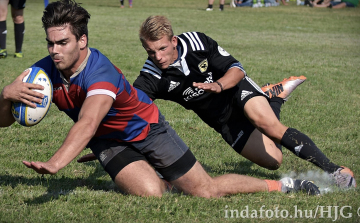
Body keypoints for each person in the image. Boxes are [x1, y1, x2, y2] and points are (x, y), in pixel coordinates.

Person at [0, 0, 321, 197]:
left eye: (62, 42)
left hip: (147, 129)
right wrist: (6, 96)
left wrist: (56, 163)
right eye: (50, 43)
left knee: (205, 191)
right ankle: (151, 175)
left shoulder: (101, 73)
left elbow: (87, 123)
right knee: (152, 194)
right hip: (108, 142)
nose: (54, 50)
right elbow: (5, 120)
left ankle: (284, 186)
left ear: (82, 40)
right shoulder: (44, 71)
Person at [129, 15, 354, 189]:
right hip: (222, 120)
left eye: (162, 49)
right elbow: (130, 111)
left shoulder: (197, 43)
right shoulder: (151, 77)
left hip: (236, 90)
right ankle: (273, 99)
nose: (158, 57)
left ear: (174, 41)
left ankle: (335, 171)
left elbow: (237, 70)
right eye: (151, 52)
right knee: (274, 160)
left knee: (268, 125)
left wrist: (218, 86)